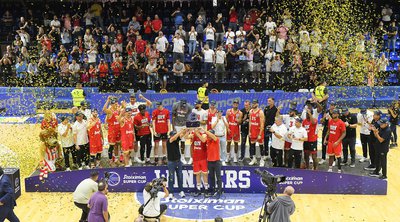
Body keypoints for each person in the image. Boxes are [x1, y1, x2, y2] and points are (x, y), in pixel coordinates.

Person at [187, 127, 209, 196]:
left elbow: (203, 140)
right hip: (196, 158)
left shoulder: (203, 134)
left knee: (205, 174)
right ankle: (198, 189)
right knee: (197, 174)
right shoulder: (193, 134)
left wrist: (197, 133)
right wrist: (188, 131)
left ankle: (206, 189)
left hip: (203, 158)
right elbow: (186, 137)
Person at [172, 99, 193, 164]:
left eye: (184, 105)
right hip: (177, 125)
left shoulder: (189, 107)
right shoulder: (175, 105)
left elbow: (190, 117)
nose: (183, 106)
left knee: (183, 141)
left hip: (184, 125)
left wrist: (189, 127)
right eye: (182, 105)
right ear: (180, 103)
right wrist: (173, 127)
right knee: (176, 141)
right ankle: (176, 156)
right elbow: (173, 117)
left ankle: (183, 157)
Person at [167, 130, 186, 198]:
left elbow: (182, 135)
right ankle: (171, 192)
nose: (176, 136)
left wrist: (186, 130)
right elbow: (174, 137)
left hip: (178, 161)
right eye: (174, 135)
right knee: (171, 177)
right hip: (171, 162)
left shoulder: (177, 140)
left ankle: (181, 191)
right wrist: (180, 132)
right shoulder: (169, 140)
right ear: (171, 135)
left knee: (180, 176)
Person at [103, 96, 121, 165]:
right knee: (111, 146)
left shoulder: (117, 110)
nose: (117, 105)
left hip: (118, 130)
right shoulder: (110, 111)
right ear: (112, 105)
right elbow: (104, 109)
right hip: (112, 132)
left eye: (117, 104)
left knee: (118, 144)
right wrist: (107, 100)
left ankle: (116, 158)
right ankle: (110, 160)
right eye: (115, 104)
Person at [205, 129, 222, 198]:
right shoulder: (207, 141)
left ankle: (219, 191)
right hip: (209, 161)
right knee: (211, 177)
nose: (208, 136)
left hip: (217, 161)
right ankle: (213, 190)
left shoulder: (216, 139)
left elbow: (212, 136)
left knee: (218, 177)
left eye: (209, 135)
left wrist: (204, 130)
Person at [249, 99, 265, 166]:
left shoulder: (260, 112)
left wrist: (260, 133)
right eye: (253, 103)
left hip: (258, 131)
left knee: (261, 145)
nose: (253, 104)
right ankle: (254, 159)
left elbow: (262, 124)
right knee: (252, 145)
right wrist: (249, 131)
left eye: (255, 103)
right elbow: (250, 122)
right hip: (252, 131)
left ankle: (262, 159)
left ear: (257, 104)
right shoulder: (251, 111)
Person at [263, 97, 278, 166]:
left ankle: (273, 156)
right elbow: (264, 118)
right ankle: (266, 154)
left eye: (270, 101)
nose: (268, 102)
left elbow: (277, 118)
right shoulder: (266, 108)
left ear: (273, 101)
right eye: (268, 101)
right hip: (266, 127)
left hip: (273, 127)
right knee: (266, 141)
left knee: (273, 142)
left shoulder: (276, 109)